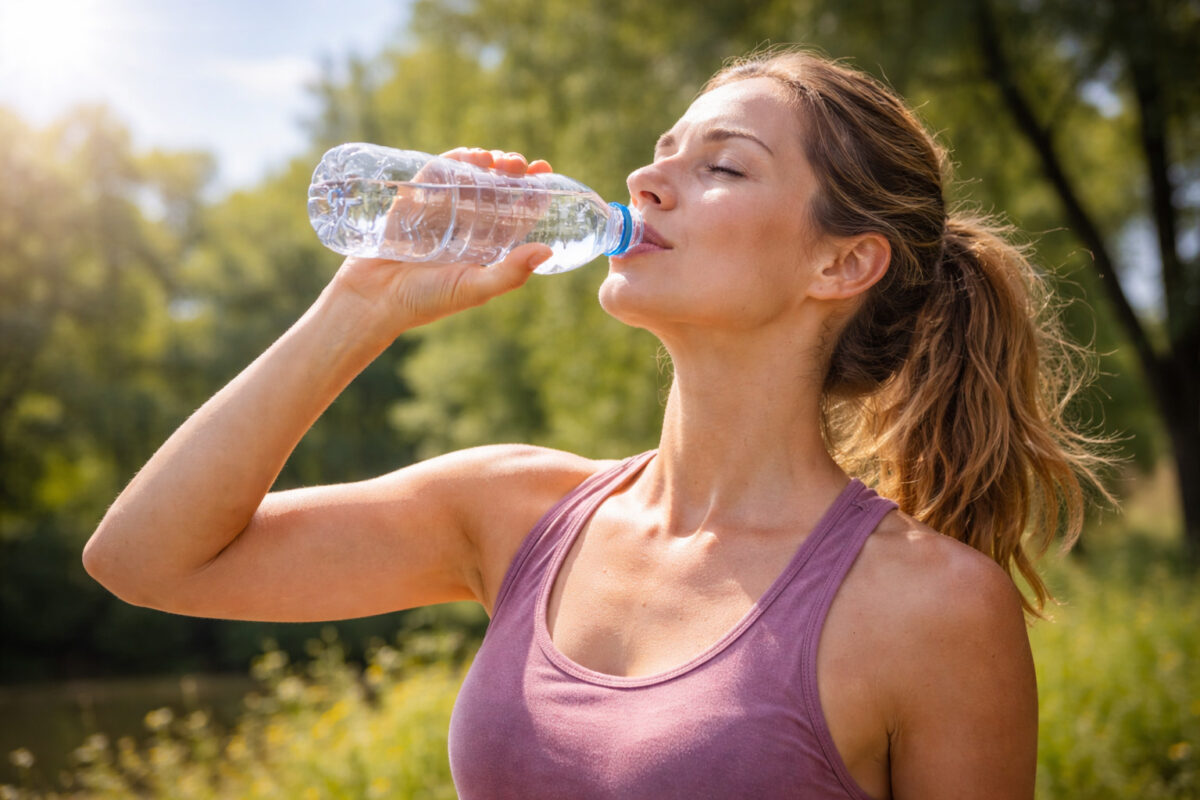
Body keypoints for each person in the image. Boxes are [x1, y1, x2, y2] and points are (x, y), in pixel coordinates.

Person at [84, 48, 1106, 799]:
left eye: (724, 165)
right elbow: (145, 557)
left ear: (841, 263)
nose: (644, 180)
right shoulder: (511, 508)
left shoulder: (934, 605)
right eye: (663, 151)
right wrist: (363, 306)